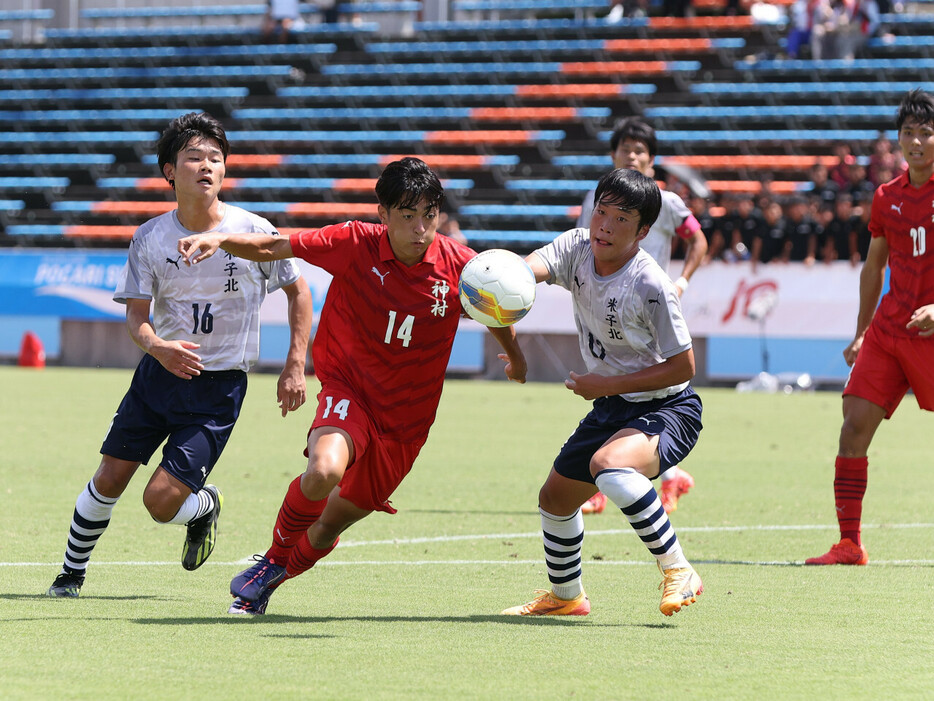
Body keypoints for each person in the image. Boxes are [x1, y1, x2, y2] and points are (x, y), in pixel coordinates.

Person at [177, 157, 528, 614]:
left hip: (406, 422)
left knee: (327, 527)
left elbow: (493, 306)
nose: (420, 227)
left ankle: (269, 579)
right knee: (324, 471)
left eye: (429, 214)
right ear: (383, 215)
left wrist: (516, 357)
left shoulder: (461, 268)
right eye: (407, 215)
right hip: (350, 391)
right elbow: (272, 248)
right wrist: (221, 237)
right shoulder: (352, 241)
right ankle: (271, 562)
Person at [46, 112, 313, 598]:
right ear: (170, 171)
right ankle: (70, 574)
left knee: (160, 501)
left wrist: (295, 364)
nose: (206, 166)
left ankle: (203, 507)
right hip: (158, 378)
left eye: (216, 158)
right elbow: (136, 317)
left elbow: (299, 291)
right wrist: (157, 346)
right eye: (193, 157)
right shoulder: (150, 238)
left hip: (218, 389)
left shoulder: (253, 230)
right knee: (110, 476)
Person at [501, 168, 704, 617]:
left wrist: (605, 385)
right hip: (612, 406)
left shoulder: (651, 284)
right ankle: (566, 597)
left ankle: (678, 569)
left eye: (621, 220)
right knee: (554, 498)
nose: (605, 226)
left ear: (643, 232)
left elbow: (684, 366)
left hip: (669, 407)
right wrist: (498, 277)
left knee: (608, 467)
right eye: (601, 212)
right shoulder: (576, 246)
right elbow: (526, 272)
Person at [806, 88, 934, 566]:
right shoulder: (886, 197)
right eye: (909, 133)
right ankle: (849, 543)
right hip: (890, 330)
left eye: (926, 133)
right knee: (853, 428)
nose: (917, 142)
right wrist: (861, 331)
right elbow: (873, 267)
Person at [576, 117, 707, 515]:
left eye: (640, 151)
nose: (631, 156)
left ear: (651, 160)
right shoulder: (594, 199)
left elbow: (698, 239)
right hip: (606, 305)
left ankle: (609, 478)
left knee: (642, 389)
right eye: (625, 150)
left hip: (648, 312)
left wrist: (681, 282)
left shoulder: (665, 202)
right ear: (612, 154)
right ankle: (663, 476)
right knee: (619, 387)